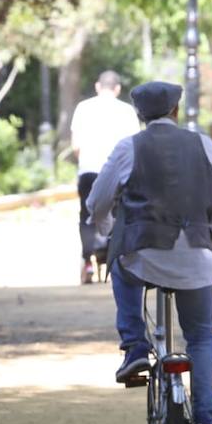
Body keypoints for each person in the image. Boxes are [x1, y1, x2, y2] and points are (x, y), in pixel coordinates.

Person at [86, 81, 212, 424]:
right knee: (201, 336)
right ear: (176, 110)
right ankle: (205, 417)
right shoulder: (202, 143)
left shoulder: (129, 148)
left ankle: (135, 346)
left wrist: (108, 233)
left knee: (120, 267)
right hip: (198, 257)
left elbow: (97, 202)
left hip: (145, 253)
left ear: (139, 115)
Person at [70, 70, 139, 284]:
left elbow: (76, 147)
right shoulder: (127, 111)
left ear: (98, 86)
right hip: (118, 172)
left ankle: (88, 261)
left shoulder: (83, 108)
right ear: (117, 89)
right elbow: (134, 146)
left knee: (87, 215)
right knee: (118, 215)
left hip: (89, 169)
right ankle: (113, 259)